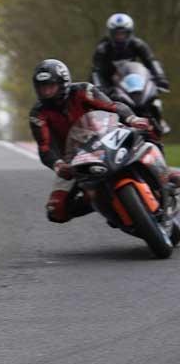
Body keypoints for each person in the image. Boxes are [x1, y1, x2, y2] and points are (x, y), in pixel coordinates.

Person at [29, 58, 156, 223]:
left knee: (145, 133)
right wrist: (58, 165)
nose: (46, 92)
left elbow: (113, 106)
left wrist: (132, 119)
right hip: (73, 159)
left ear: (63, 83)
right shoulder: (37, 113)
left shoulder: (83, 90)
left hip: (105, 137)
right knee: (56, 211)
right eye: (42, 88)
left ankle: (164, 174)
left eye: (50, 86)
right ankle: (104, 203)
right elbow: (44, 148)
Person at [91, 13, 170, 94]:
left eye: (123, 34)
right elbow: (96, 71)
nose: (120, 37)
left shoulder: (138, 44)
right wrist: (99, 87)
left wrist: (160, 77)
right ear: (110, 34)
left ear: (130, 33)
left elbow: (151, 61)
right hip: (109, 88)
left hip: (132, 85)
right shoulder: (102, 49)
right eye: (116, 34)